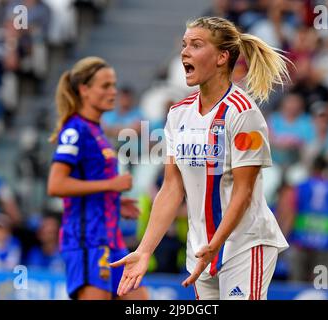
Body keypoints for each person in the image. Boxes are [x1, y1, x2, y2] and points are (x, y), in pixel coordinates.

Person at [111, 16, 290, 300]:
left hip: (244, 245)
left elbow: (243, 193)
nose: (184, 52)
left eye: (196, 45)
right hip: (200, 251)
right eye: (184, 45)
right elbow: (171, 188)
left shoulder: (244, 114)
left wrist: (216, 244)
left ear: (221, 57)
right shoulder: (178, 113)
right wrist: (144, 250)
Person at [47, 57, 149, 300]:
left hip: (112, 239)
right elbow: (56, 185)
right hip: (87, 242)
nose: (113, 91)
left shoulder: (96, 129)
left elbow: (86, 182)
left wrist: (112, 199)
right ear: (84, 90)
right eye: (105, 86)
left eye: (113, 85)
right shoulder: (75, 130)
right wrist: (110, 185)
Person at [278, 155, 328, 284]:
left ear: (312, 169)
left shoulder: (300, 188)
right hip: (327, 245)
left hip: (301, 244)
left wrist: (284, 240)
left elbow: (289, 214)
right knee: (321, 287)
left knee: (297, 285)